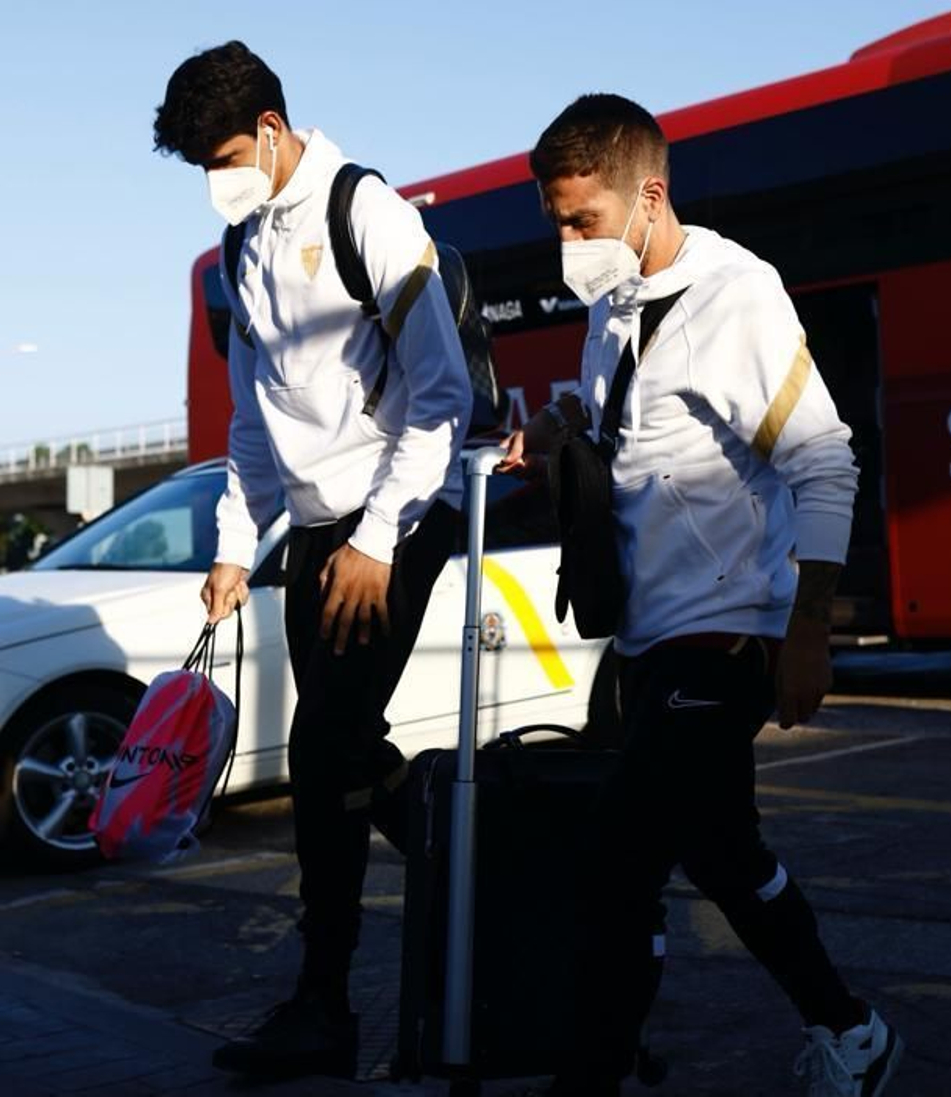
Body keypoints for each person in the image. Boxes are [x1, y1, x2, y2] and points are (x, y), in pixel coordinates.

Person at [500, 94, 903, 1097]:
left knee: (615, 859)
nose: (566, 242)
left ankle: (586, 1078)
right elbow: (619, 426)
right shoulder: (614, 307)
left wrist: (806, 632)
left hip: (723, 639)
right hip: (646, 635)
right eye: (554, 220)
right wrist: (555, 428)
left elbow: (826, 462)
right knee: (721, 852)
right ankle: (851, 1030)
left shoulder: (736, 297)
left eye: (580, 220)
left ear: (649, 196)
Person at [153, 41, 472, 1078]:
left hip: (403, 512)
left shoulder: (366, 214)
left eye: (225, 153)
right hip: (317, 529)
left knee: (333, 742)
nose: (217, 177)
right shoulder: (247, 250)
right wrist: (236, 548)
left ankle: (444, 883)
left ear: (276, 131)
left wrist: (377, 541)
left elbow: (441, 393)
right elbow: (254, 423)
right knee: (321, 758)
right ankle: (427, 878)